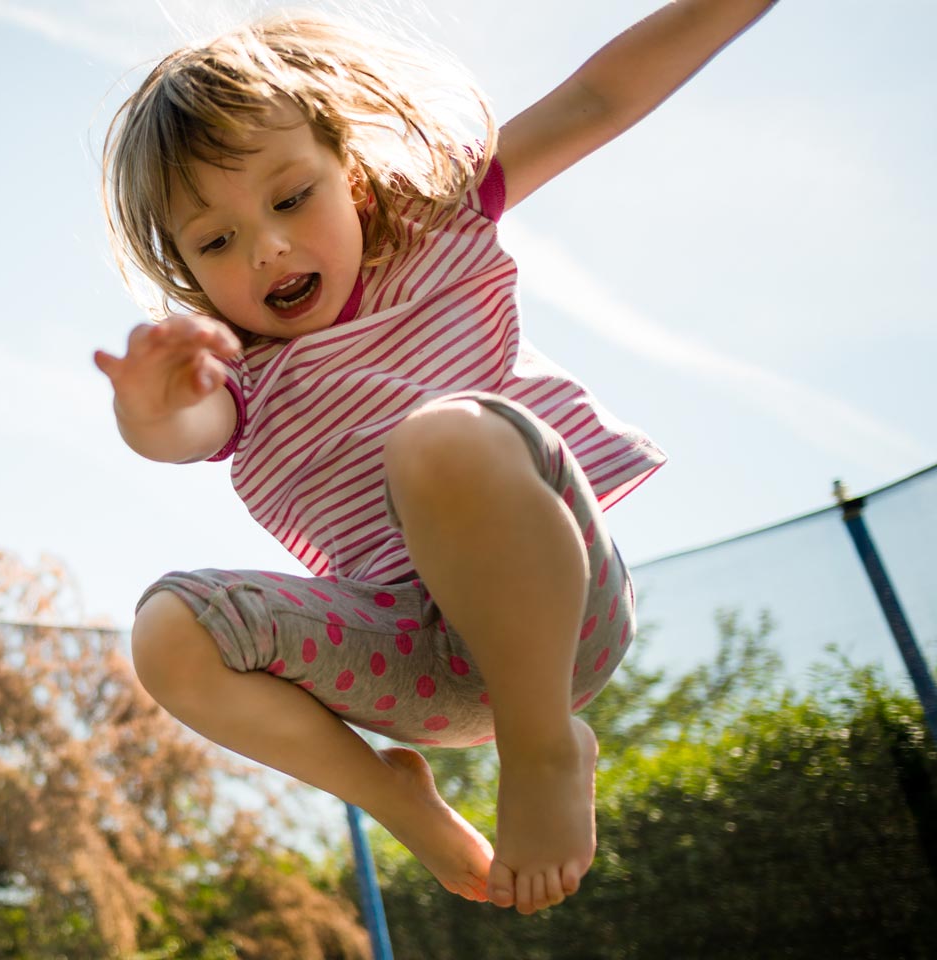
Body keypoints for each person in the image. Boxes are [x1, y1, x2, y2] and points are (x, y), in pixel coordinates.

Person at [93, 1, 775, 915]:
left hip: (556, 620)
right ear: (187, 268)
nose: (268, 247)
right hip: (410, 664)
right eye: (217, 241)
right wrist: (148, 410)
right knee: (168, 632)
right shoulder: (236, 372)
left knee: (440, 437)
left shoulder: (438, 234)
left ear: (358, 184)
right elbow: (183, 434)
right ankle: (396, 798)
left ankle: (545, 749)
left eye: (292, 198)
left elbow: (597, 100)